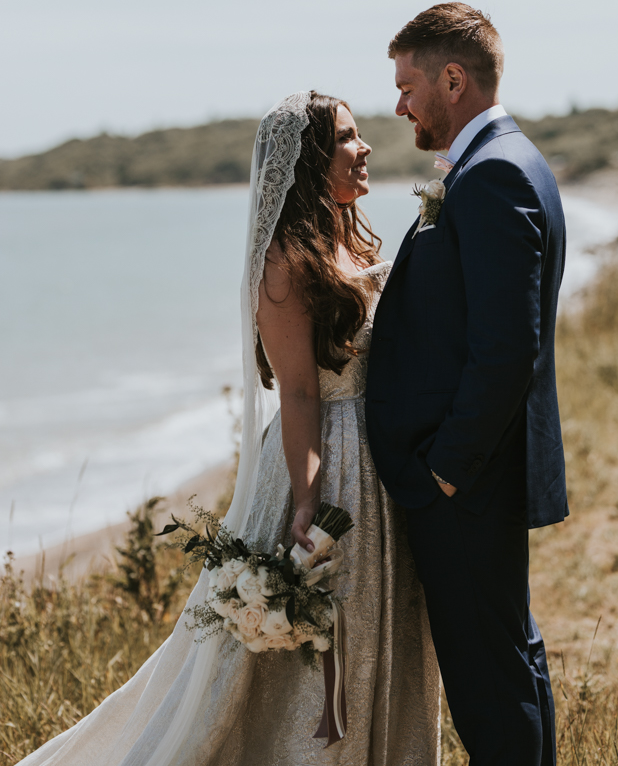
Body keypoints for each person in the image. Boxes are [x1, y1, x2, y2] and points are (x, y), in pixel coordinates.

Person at [19, 91, 440, 766]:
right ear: (310, 161)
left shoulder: (353, 235)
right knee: (321, 643)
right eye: (347, 139)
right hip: (331, 463)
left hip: (383, 459)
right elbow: (300, 391)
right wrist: (307, 500)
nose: (364, 149)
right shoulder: (284, 265)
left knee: (379, 627)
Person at [366, 3, 568, 766]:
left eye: (409, 85)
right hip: (481, 472)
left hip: (469, 478)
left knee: (486, 679)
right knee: (508, 656)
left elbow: (508, 347)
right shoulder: (509, 161)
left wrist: (446, 469)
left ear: (454, 79)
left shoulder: (490, 178)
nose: (400, 104)